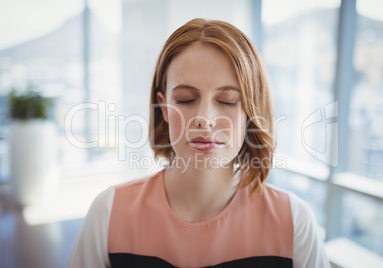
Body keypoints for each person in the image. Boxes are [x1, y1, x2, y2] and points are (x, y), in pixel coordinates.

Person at [68, 18, 330, 268]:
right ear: (164, 107)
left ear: (251, 111)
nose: (205, 120)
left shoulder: (294, 222)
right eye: (184, 99)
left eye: (227, 100)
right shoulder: (109, 212)